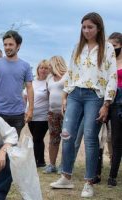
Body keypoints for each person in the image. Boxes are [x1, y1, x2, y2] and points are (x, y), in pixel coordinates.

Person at [50, 12, 117, 198]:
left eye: (90, 27)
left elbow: (112, 76)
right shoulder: (77, 47)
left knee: (90, 138)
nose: (86, 30)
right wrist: (64, 96)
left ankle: (89, 182)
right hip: (74, 94)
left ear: (99, 28)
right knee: (67, 135)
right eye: (84, 27)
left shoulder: (108, 48)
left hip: (94, 96)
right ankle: (66, 177)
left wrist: (107, 103)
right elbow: (70, 73)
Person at [0, 30, 34, 136]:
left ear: (18, 46)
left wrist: (30, 109)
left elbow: (29, 88)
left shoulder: (25, 66)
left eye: (11, 44)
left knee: (12, 147)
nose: (7, 47)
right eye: (5, 44)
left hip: (18, 114)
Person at [43, 56, 67, 174]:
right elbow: (49, 94)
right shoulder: (49, 79)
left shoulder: (67, 76)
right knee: (53, 139)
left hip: (66, 112)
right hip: (53, 113)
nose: (48, 68)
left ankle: (64, 165)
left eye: (50, 66)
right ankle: (52, 165)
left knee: (67, 139)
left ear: (56, 64)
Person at [24, 60, 50, 168]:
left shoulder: (49, 83)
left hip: (43, 116)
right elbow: (25, 96)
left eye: (46, 68)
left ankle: (34, 162)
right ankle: (41, 161)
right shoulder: (32, 82)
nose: (43, 70)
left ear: (49, 70)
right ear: (38, 69)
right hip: (30, 115)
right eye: (41, 68)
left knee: (37, 139)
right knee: (37, 138)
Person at [107, 32, 122, 187]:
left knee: (117, 139)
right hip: (106, 101)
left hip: (119, 103)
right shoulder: (108, 61)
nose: (112, 49)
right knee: (101, 138)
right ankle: (95, 172)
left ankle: (113, 175)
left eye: (115, 46)